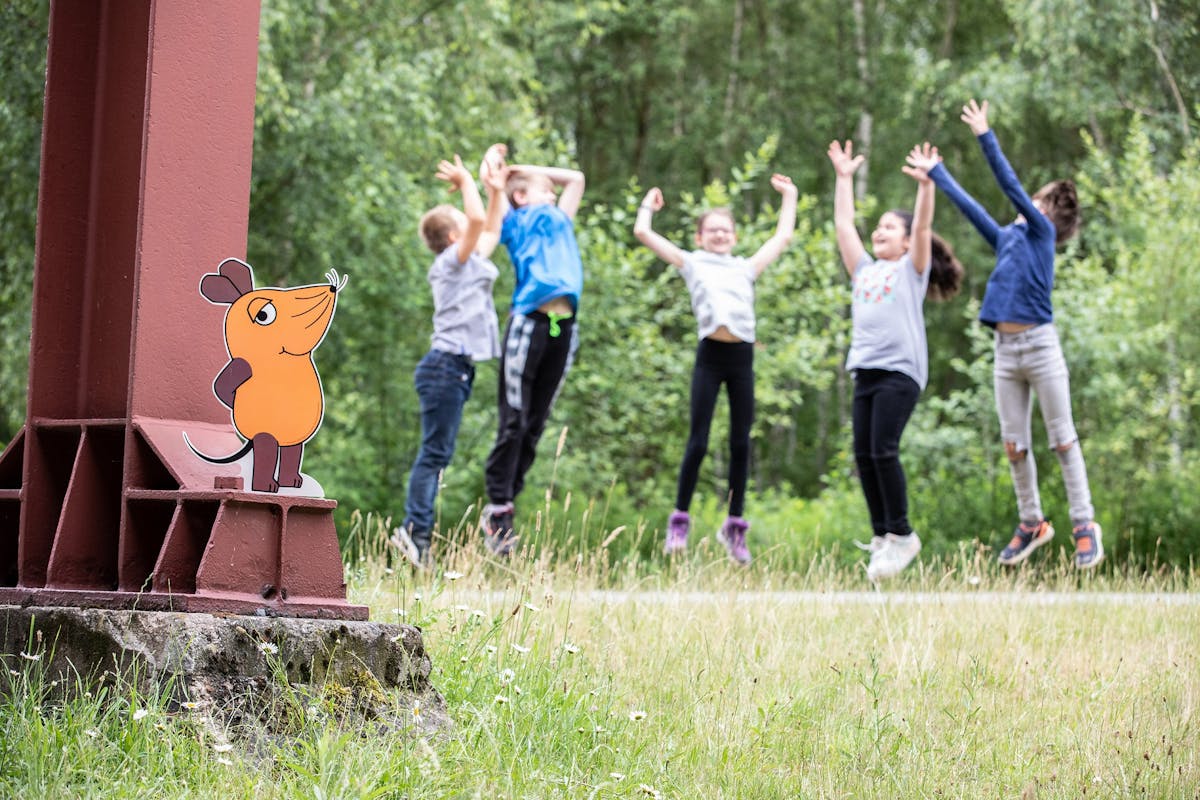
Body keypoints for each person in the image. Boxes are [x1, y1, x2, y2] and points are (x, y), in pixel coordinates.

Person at [926, 99, 1102, 570]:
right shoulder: (1008, 238)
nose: (1028, 205)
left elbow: (1009, 185)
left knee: (1062, 439)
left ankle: (1084, 524)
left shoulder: (1041, 235)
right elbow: (973, 210)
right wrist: (938, 173)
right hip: (1006, 352)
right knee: (1013, 445)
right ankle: (1031, 522)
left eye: (1037, 202)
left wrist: (985, 135)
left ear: (1047, 214)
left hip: (1041, 347)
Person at [633, 174, 798, 564]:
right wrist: (647, 207)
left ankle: (734, 527)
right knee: (699, 441)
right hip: (710, 356)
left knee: (741, 444)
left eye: (726, 230)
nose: (720, 235)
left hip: (742, 359)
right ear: (700, 236)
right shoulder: (692, 263)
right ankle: (679, 521)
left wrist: (790, 196)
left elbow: (782, 237)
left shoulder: (745, 267)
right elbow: (643, 233)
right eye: (712, 230)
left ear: (735, 237)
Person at [827, 140, 964, 581]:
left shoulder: (910, 271)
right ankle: (883, 536)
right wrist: (843, 179)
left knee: (884, 449)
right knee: (864, 454)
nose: (880, 230)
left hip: (900, 372)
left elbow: (923, 226)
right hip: (865, 370)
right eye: (879, 226)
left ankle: (903, 533)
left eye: (890, 227)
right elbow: (843, 225)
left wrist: (927, 185)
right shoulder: (864, 270)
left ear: (906, 243)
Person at [391, 149, 506, 568]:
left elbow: (490, 227)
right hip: (445, 367)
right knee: (434, 455)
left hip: (453, 370)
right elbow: (477, 221)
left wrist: (495, 190)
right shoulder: (451, 263)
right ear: (454, 236)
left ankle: (416, 533)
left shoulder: (467, 260)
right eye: (462, 223)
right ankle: (414, 532)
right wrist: (466, 182)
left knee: (438, 454)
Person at [478, 146, 586, 556]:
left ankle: (507, 503)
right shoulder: (514, 220)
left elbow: (576, 178)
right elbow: (493, 187)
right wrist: (505, 178)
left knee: (536, 424)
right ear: (521, 196)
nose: (554, 194)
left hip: (565, 327)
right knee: (514, 420)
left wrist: (526, 169)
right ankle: (497, 506)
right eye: (545, 190)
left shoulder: (561, 219)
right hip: (529, 322)